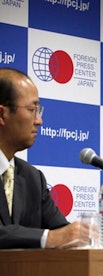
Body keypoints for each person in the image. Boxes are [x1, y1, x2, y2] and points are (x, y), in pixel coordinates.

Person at [0, 67, 86, 249]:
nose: (39, 121)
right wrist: (48, 238)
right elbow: (53, 236)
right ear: (2, 114)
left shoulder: (33, 178)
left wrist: (81, 237)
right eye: (32, 109)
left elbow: (63, 231)